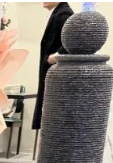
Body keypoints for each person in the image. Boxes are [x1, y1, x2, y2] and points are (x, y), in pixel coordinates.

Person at [32, 2, 74, 131]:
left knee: (51, 113)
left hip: (56, 73)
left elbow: (71, 40)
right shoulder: (59, 13)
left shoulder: (64, 14)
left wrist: (57, 55)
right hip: (52, 71)